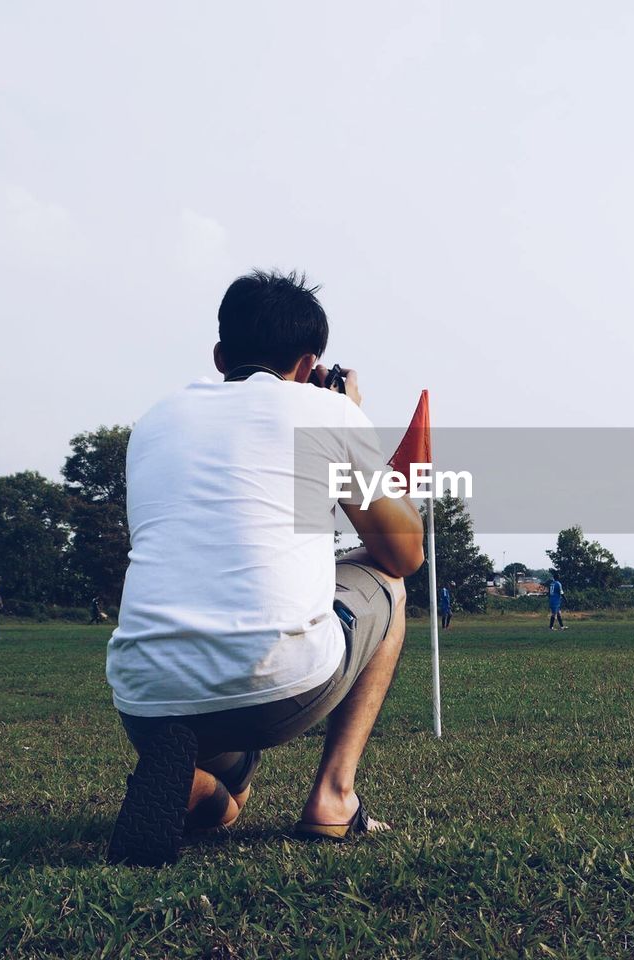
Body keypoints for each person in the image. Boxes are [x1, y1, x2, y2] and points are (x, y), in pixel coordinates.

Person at [105, 269, 425, 867]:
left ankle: (202, 792)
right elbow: (404, 553)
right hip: (278, 689)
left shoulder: (154, 422)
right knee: (389, 584)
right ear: (308, 365)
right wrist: (352, 418)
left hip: (147, 701)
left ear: (220, 355)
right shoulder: (322, 411)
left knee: (230, 801)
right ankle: (334, 798)